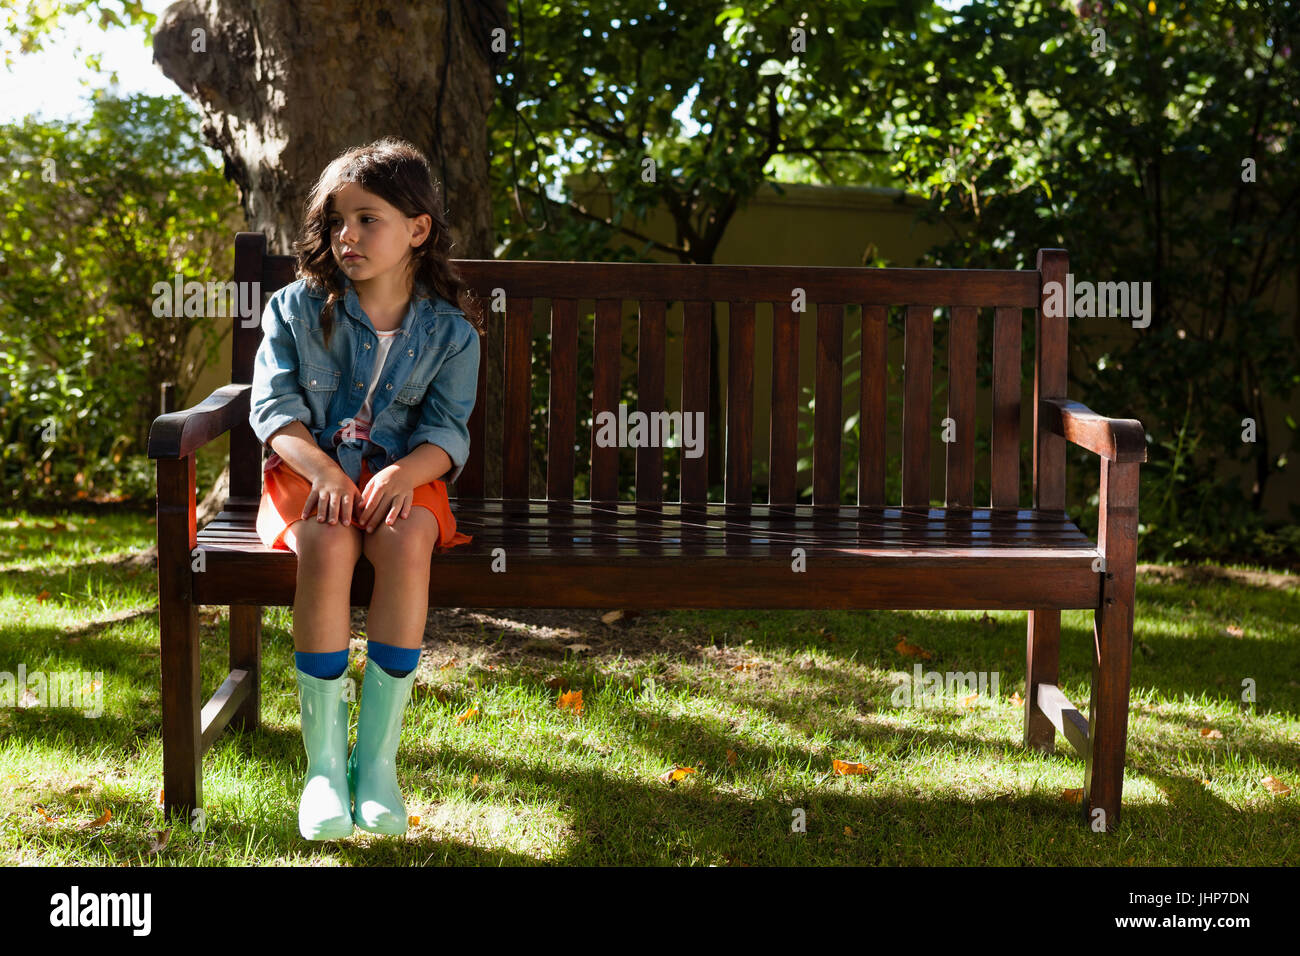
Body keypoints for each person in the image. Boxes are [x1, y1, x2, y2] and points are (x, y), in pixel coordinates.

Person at [248, 137, 481, 839]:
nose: (347, 235)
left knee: (409, 539)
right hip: (307, 473)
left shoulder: (451, 332)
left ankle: (376, 763)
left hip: (403, 480)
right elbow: (274, 411)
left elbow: (448, 433)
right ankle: (323, 767)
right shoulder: (294, 309)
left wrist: (406, 473)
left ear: (417, 230)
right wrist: (320, 469)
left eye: (368, 219)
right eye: (337, 220)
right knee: (324, 536)